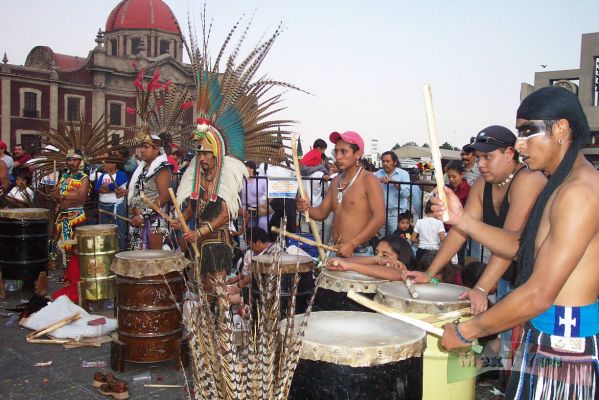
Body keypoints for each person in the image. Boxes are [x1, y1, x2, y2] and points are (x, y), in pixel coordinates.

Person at [435, 86, 599, 399]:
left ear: (561, 128)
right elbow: (522, 249)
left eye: (528, 131)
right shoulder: (562, 183)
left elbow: (539, 294)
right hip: (545, 337)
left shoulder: (579, 191)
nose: (520, 143)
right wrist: (463, 221)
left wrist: (468, 329)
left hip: (565, 348)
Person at [297, 131, 385, 257]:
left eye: (344, 152)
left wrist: (352, 244)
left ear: (358, 154)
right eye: (336, 152)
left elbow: (379, 218)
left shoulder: (369, 180)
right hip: (335, 250)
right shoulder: (336, 182)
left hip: (359, 252)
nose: (338, 157)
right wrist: (307, 208)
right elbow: (321, 213)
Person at [127, 134, 171, 250]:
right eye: (142, 147)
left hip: (154, 223)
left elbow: (164, 196)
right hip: (138, 222)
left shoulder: (162, 169)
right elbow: (142, 190)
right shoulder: (142, 168)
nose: (142, 150)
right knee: (138, 260)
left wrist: (143, 215)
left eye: (146, 147)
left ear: (157, 150)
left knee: (154, 261)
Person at [51, 149, 90, 252]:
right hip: (62, 216)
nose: (71, 163)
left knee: (75, 250)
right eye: (69, 160)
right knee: (61, 250)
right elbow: (58, 195)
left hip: (76, 217)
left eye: (74, 160)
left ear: (80, 161)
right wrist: (54, 195)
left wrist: (61, 196)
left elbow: (81, 198)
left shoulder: (84, 178)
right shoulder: (64, 176)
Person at [326, 235, 413, 281]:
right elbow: (344, 261)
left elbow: (395, 273)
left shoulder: (402, 270)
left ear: (401, 257)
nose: (380, 256)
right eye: (376, 252)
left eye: (385, 255)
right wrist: (377, 259)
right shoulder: (378, 261)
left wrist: (350, 266)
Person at [375, 151, 411, 237]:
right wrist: (377, 181)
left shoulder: (403, 174)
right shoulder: (377, 174)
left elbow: (407, 194)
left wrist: (398, 186)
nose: (385, 163)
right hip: (380, 212)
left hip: (396, 213)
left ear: (395, 162)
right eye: (383, 161)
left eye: (388, 161)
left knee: (396, 240)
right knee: (380, 239)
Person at [95, 158, 128, 251]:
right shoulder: (103, 175)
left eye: (108, 162)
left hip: (116, 205)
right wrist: (110, 189)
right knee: (104, 230)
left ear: (114, 164)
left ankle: (120, 251)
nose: (105, 165)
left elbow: (115, 185)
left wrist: (107, 187)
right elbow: (97, 188)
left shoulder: (121, 174)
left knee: (118, 231)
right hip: (103, 206)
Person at [445, 159, 471, 265]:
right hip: (445, 228)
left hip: (459, 230)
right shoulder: (447, 188)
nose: (451, 179)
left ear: (462, 175)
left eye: (454, 177)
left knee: (458, 258)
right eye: (449, 177)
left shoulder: (469, 190)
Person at [411, 200, 446, 267]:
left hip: (421, 250)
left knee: (419, 271)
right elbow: (442, 238)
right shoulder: (439, 223)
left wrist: (420, 241)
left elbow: (412, 239)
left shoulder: (419, 222)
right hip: (434, 251)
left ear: (426, 209)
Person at [240, 161, 268, 232]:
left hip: (262, 208)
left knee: (263, 223)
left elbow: (269, 194)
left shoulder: (261, 180)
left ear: (253, 169)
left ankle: (263, 241)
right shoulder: (242, 181)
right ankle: (251, 242)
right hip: (248, 209)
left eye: (248, 169)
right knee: (250, 228)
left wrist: (264, 204)